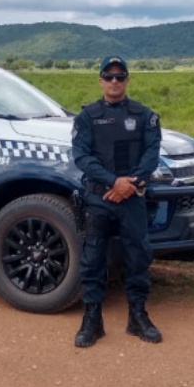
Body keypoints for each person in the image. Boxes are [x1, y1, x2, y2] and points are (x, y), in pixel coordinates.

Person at [71, 55, 163, 347]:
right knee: (93, 259)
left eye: (119, 77)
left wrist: (129, 184)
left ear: (127, 80)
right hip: (100, 197)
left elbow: (152, 154)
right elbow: (82, 156)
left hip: (133, 197)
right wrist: (114, 182)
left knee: (138, 256)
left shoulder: (144, 115)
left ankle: (138, 316)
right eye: (108, 76)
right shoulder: (87, 116)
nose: (114, 81)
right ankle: (92, 320)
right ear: (100, 80)